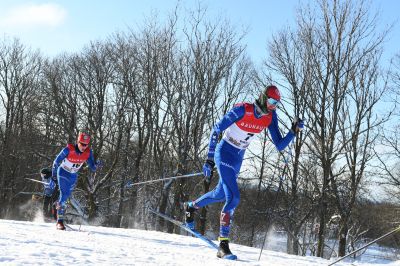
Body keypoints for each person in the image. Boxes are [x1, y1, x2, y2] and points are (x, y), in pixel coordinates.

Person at [184, 85, 304, 259]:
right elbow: (217, 129)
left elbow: (279, 144)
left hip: (238, 156)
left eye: (276, 103)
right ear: (263, 98)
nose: (273, 106)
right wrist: (209, 159)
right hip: (224, 151)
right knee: (234, 197)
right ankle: (223, 245)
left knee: (220, 194)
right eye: (271, 101)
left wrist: (293, 131)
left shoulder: (270, 117)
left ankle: (190, 207)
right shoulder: (243, 110)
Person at [52, 132, 100, 230]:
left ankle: (57, 205)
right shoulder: (68, 150)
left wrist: (97, 165)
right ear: (78, 142)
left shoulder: (88, 152)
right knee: (64, 195)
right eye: (82, 144)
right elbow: (56, 162)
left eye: (86, 144)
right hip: (63, 173)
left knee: (65, 197)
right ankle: (59, 222)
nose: (84, 146)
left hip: (73, 175)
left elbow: (92, 167)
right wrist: (53, 176)